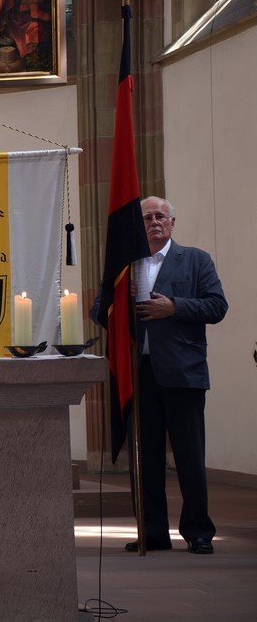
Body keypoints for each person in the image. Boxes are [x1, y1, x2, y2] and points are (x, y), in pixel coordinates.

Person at [91, 196, 228, 555]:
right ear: (139, 225)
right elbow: (97, 309)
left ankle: (198, 531)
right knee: (146, 457)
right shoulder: (127, 266)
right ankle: (152, 531)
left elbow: (217, 306)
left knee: (189, 457)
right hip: (140, 374)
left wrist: (174, 307)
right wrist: (118, 310)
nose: (154, 222)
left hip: (183, 373)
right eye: (148, 217)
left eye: (160, 217)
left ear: (172, 222)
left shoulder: (196, 260)